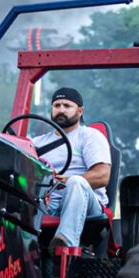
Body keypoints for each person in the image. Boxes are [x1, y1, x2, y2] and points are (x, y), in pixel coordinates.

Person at [29, 87, 111, 249]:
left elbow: (102, 176)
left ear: (80, 111)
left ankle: (64, 245)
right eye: (57, 105)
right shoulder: (36, 142)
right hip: (47, 202)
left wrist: (67, 180)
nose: (61, 110)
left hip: (86, 204)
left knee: (76, 182)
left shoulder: (89, 136)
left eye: (67, 106)